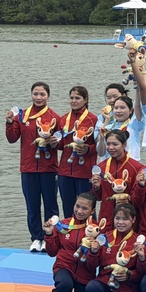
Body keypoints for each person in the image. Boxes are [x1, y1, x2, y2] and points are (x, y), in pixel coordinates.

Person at [6, 81, 61, 252]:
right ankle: (36, 238)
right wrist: (9, 123)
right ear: (31, 95)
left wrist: (55, 142)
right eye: (35, 94)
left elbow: (62, 143)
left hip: (49, 168)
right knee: (32, 205)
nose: (38, 97)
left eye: (42, 94)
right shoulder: (22, 116)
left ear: (48, 96)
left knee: (51, 205)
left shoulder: (55, 117)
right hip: (28, 168)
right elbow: (12, 139)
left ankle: (50, 238)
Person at [42, 191, 99, 292]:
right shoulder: (63, 225)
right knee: (64, 284)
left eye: (84, 208)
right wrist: (49, 234)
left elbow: (96, 263)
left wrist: (94, 251)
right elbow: (52, 252)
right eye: (77, 206)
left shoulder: (97, 230)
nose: (79, 211)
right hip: (64, 266)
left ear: (92, 211)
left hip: (85, 274)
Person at [85, 202, 142, 292]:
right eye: (117, 218)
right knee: (92, 286)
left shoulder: (137, 242)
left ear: (133, 219)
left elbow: (143, 272)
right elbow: (91, 266)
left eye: (125, 219)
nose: (120, 222)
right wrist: (93, 252)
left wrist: (129, 275)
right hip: (104, 284)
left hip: (125, 290)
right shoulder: (104, 238)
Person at [90, 130, 145, 230]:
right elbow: (98, 198)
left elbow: (138, 201)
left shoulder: (136, 167)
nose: (111, 148)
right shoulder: (101, 167)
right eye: (108, 144)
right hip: (106, 218)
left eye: (115, 144)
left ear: (124, 145)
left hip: (127, 221)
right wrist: (97, 187)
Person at [57, 86, 98, 219]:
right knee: (68, 208)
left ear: (85, 100)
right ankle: (69, 231)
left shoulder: (93, 119)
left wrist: (88, 149)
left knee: (87, 208)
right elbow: (62, 145)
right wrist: (53, 142)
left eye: (77, 98)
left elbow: (100, 146)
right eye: (72, 98)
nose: (74, 101)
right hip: (65, 171)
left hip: (85, 171)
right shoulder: (63, 119)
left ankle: (91, 231)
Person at [95, 95, 142, 161]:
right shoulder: (108, 127)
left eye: (122, 108)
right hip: (108, 164)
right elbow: (101, 154)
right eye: (116, 108)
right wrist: (102, 139)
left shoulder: (134, 125)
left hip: (128, 163)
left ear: (131, 110)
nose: (118, 111)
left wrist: (138, 90)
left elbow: (138, 106)